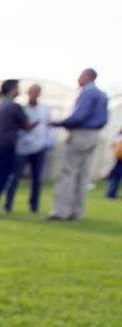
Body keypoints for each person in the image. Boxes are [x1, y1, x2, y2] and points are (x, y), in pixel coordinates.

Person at [48, 68, 109, 220]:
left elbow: (79, 116)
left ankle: (61, 211)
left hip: (81, 134)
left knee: (68, 173)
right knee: (83, 175)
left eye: (80, 76)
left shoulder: (88, 93)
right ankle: (76, 212)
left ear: (87, 76)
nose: (78, 79)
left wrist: (59, 123)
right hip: (93, 135)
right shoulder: (102, 95)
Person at [0, 80, 36, 216]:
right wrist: (36, 123)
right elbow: (27, 125)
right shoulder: (14, 106)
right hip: (6, 147)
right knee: (0, 179)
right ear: (12, 89)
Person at [3, 84, 53, 214]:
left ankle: (34, 206)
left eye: (38, 92)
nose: (35, 94)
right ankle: (8, 204)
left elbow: (48, 128)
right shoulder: (20, 107)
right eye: (33, 91)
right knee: (15, 177)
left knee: (37, 179)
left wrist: (48, 143)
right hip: (22, 147)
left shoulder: (45, 109)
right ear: (28, 93)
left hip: (40, 147)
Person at [105, 128, 122, 199]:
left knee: (115, 175)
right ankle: (111, 193)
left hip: (118, 158)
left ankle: (111, 192)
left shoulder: (118, 136)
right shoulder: (119, 137)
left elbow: (112, 145)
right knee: (116, 175)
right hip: (120, 158)